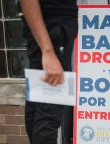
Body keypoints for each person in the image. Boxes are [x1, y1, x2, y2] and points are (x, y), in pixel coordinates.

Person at [19, 0, 78, 143]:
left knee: (38, 108)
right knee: (48, 114)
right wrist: (48, 51)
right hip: (53, 35)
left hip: (50, 32)